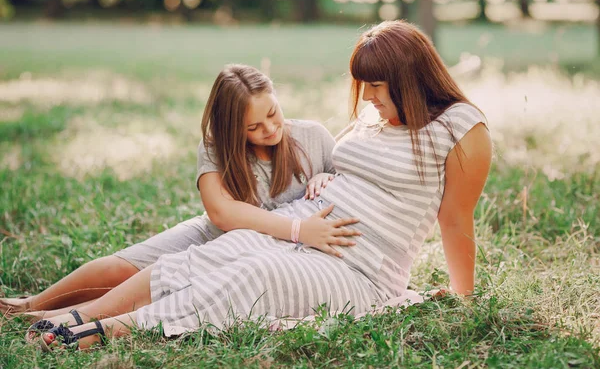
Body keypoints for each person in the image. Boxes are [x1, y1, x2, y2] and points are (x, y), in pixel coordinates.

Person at [34, 20, 493, 351]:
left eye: (376, 85)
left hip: (360, 269)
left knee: (253, 275)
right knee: (209, 254)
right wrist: (328, 177)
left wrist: (464, 297)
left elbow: (455, 219)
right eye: (364, 86)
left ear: (410, 78)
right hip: (299, 230)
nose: (368, 97)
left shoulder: (459, 128)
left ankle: (108, 331)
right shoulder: (377, 120)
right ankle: (77, 314)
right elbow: (352, 170)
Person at [2, 64, 360, 322]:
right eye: (253, 126)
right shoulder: (215, 148)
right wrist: (299, 229)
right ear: (231, 128)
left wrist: (326, 180)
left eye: (273, 113)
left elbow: (350, 183)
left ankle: (57, 317)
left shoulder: (313, 137)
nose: (270, 129)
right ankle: (31, 303)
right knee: (122, 268)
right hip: (213, 235)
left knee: (153, 290)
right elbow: (222, 213)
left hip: (256, 256)